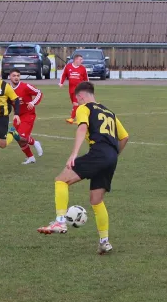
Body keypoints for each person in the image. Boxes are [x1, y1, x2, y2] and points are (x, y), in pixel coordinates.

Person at [37, 82, 129, 255]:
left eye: (77, 99)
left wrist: (74, 154)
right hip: (111, 157)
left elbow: (82, 128)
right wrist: (113, 156)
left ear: (80, 96)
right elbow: (124, 137)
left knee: (61, 180)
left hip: (99, 153)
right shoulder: (109, 112)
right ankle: (104, 242)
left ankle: (60, 221)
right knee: (96, 200)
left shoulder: (84, 108)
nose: (77, 102)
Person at [7, 69, 44, 164]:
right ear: (9, 77)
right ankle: (31, 157)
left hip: (28, 115)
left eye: (18, 75)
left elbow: (39, 92)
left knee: (20, 136)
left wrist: (32, 102)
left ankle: (35, 142)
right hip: (17, 116)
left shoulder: (25, 86)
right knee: (16, 137)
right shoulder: (7, 88)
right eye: (14, 75)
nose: (16, 77)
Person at [59, 54, 89, 124]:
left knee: (76, 103)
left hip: (79, 89)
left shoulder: (83, 68)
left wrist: (87, 87)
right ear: (76, 60)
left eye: (82, 60)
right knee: (76, 104)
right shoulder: (68, 66)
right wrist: (61, 83)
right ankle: (80, 119)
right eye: (80, 59)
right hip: (71, 89)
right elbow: (63, 75)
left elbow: (86, 78)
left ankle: (72, 118)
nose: (82, 61)